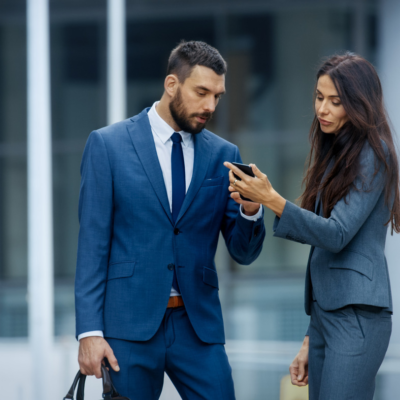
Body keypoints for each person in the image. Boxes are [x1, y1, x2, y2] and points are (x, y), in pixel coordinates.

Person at [75, 40, 266, 400]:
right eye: (202, 92)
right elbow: (92, 246)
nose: (210, 105)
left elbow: (243, 252)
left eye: (218, 96)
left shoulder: (225, 155)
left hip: (197, 327)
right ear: (171, 85)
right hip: (128, 327)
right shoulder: (108, 145)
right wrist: (89, 332)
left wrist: (251, 210)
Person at [224, 52, 399, 400]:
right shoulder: (334, 153)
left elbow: (335, 234)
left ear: (359, 104)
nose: (322, 109)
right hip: (325, 316)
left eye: (336, 102)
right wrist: (309, 337)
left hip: (358, 316)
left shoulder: (373, 152)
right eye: (319, 97)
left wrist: (272, 198)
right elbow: (324, 250)